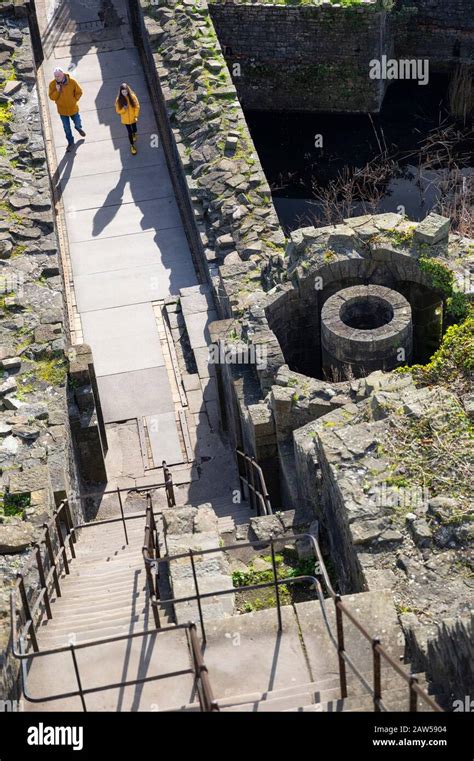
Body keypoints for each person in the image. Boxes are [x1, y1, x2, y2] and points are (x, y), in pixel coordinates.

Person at [48, 67, 85, 152]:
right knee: (66, 128)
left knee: (77, 122)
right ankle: (70, 142)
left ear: (63, 74)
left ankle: (78, 128)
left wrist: (74, 100)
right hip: (62, 111)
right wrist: (57, 91)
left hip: (73, 108)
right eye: (55, 76)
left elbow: (79, 92)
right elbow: (51, 97)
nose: (57, 78)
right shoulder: (52, 84)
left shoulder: (72, 82)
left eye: (58, 76)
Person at [115, 83, 140, 155]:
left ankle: (134, 134)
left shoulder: (133, 97)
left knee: (134, 129)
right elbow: (118, 111)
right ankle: (132, 146)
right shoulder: (118, 100)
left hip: (133, 118)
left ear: (128, 91)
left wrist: (135, 116)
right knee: (129, 132)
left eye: (126, 92)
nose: (124, 93)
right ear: (120, 92)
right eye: (123, 92)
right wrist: (123, 109)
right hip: (125, 120)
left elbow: (137, 106)